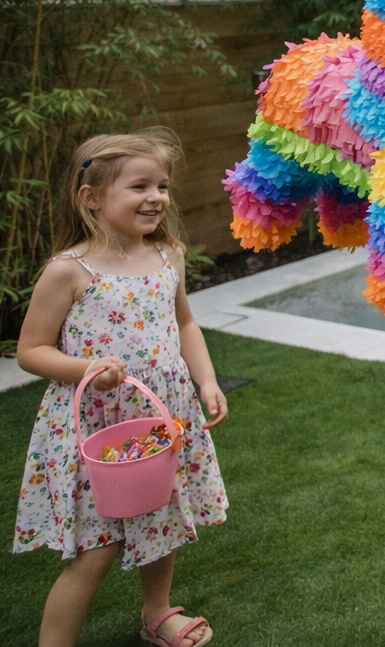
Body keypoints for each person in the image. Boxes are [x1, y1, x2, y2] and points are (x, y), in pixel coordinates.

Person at [13, 129, 228, 647]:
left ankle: (156, 613)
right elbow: (30, 351)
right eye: (139, 186)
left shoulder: (168, 256)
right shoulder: (68, 271)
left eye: (162, 185)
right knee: (97, 546)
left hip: (161, 417)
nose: (156, 197)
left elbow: (185, 325)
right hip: (99, 428)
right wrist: (85, 367)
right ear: (91, 198)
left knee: (164, 519)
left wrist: (206, 379)